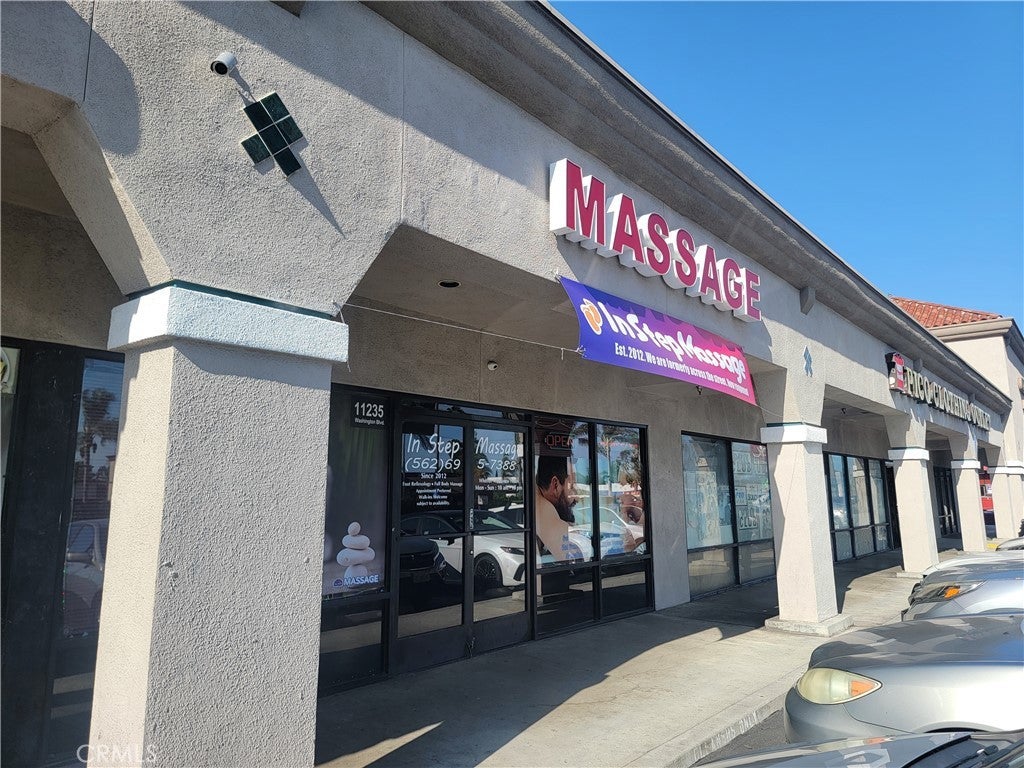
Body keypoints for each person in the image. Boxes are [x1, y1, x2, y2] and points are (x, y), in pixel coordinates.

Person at [535, 455, 585, 562]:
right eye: (571, 487)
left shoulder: (534, 498)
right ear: (555, 484)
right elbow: (570, 562)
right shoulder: (542, 509)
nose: (576, 498)